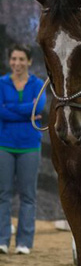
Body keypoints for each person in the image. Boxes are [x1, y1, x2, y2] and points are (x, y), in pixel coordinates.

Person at [0, 44, 46, 255]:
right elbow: (3, 111)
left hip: (30, 146)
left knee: (28, 196)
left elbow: (39, 107)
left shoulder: (38, 85)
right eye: (14, 59)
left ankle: (24, 243)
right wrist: (26, 111)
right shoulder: (1, 83)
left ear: (29, 61)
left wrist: (9, 109)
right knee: (3, 195)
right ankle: (2, 240)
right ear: (9, 61)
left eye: (21, 59)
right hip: (4, 145)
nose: (17, 63)